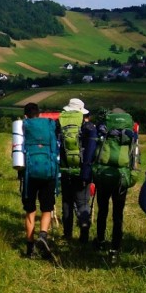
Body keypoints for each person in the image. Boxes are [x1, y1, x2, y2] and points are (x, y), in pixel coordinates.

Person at [93, 108, 137, 260]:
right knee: (118, 214)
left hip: (103, 175)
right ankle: (115, 248)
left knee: (102, 210)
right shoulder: (129, 135)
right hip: (121, 177)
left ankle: (99, 241)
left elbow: (96, 153)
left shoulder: (104, 131)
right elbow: (134, 158)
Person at [18, 102, 60, 261]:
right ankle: (43, 236)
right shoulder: (50, 125)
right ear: (39, 114)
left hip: (30, 173)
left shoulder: (23, 126)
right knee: (47, 208)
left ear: (26, 115)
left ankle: (30, 247)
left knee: (30, 211)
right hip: (49, 171)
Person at [58, 98, 97, 242]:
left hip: (65, 169)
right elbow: (92, 151)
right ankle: (84, 233)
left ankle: (67, 234)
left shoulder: (61, 125)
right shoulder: (88, 127)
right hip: (82, 171)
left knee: (66, 203)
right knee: (82, 203)